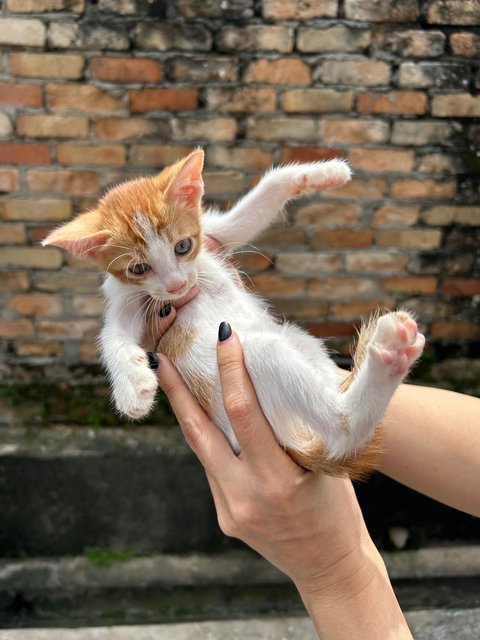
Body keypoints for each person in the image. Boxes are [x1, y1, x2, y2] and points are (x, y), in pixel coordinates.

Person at [144, 246, 480, 640]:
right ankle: (344, 412)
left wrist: (335, 570)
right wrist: (299, 388)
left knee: (276, 351)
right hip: (313, 407)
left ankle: (344, 416)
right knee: (281, 351)